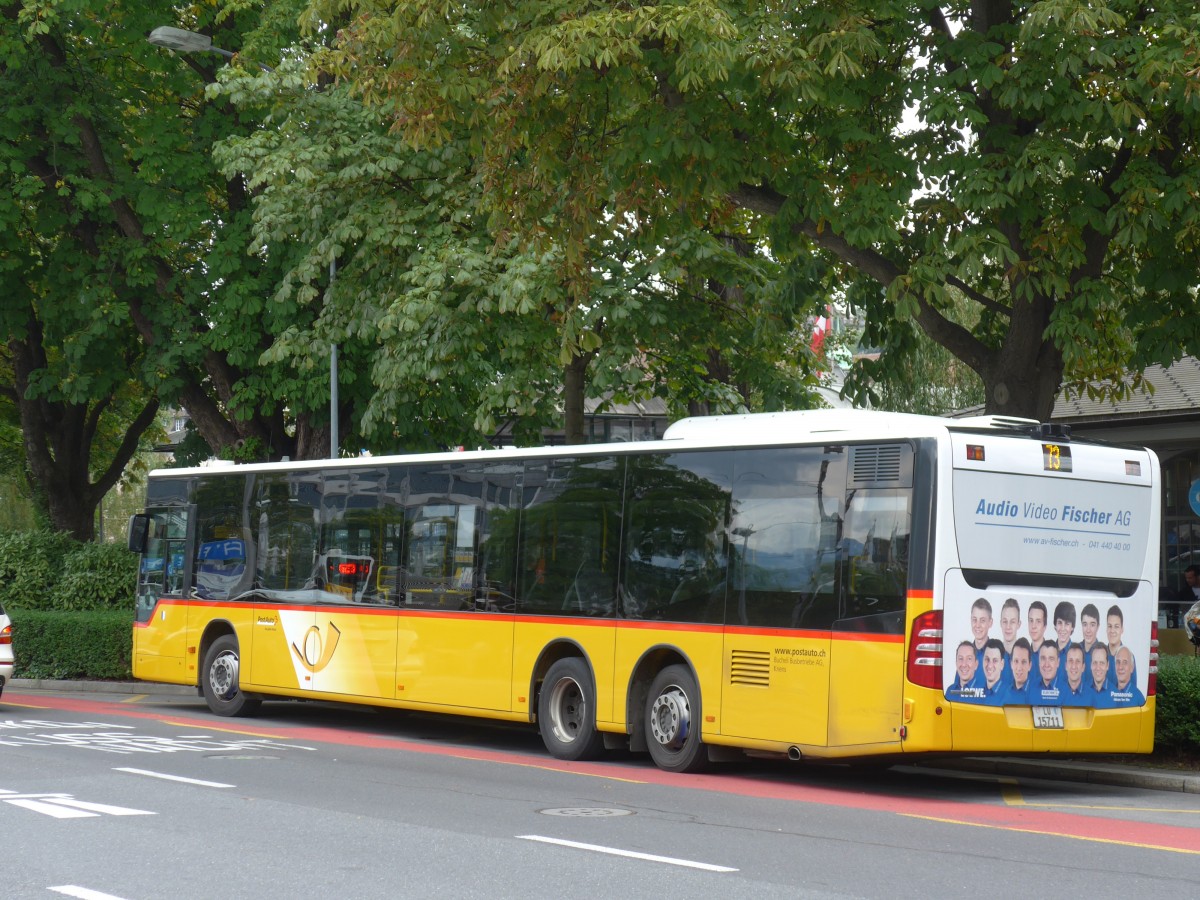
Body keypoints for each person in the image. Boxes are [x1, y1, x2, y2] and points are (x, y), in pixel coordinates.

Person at [1005, 638, 1033, 703]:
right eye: (1016, 661)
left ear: (1030, 665)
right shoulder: (1006, 693)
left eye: (1023, 662)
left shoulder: (1036, 693)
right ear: (1011, 664)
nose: (1019, 668)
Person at [1105, 605, 1127, 689]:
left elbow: (1132, 690)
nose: (1112, 631)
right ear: (1106, 628)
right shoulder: (1099, 655)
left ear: (1122, 629)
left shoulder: (1129, 657)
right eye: (1110, 626)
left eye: (1116, 626)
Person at [980, 639, 1008, 705]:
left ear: (1002, 664)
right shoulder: (977, 693)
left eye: (995, 661)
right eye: (987, 659)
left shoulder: (1009, 696)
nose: (990, 665)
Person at [970, 597, 993, 664]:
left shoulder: (997, 654)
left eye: (982, 620)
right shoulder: (965, 653)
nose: (978, 625)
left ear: (990, 622)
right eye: (974, 620)